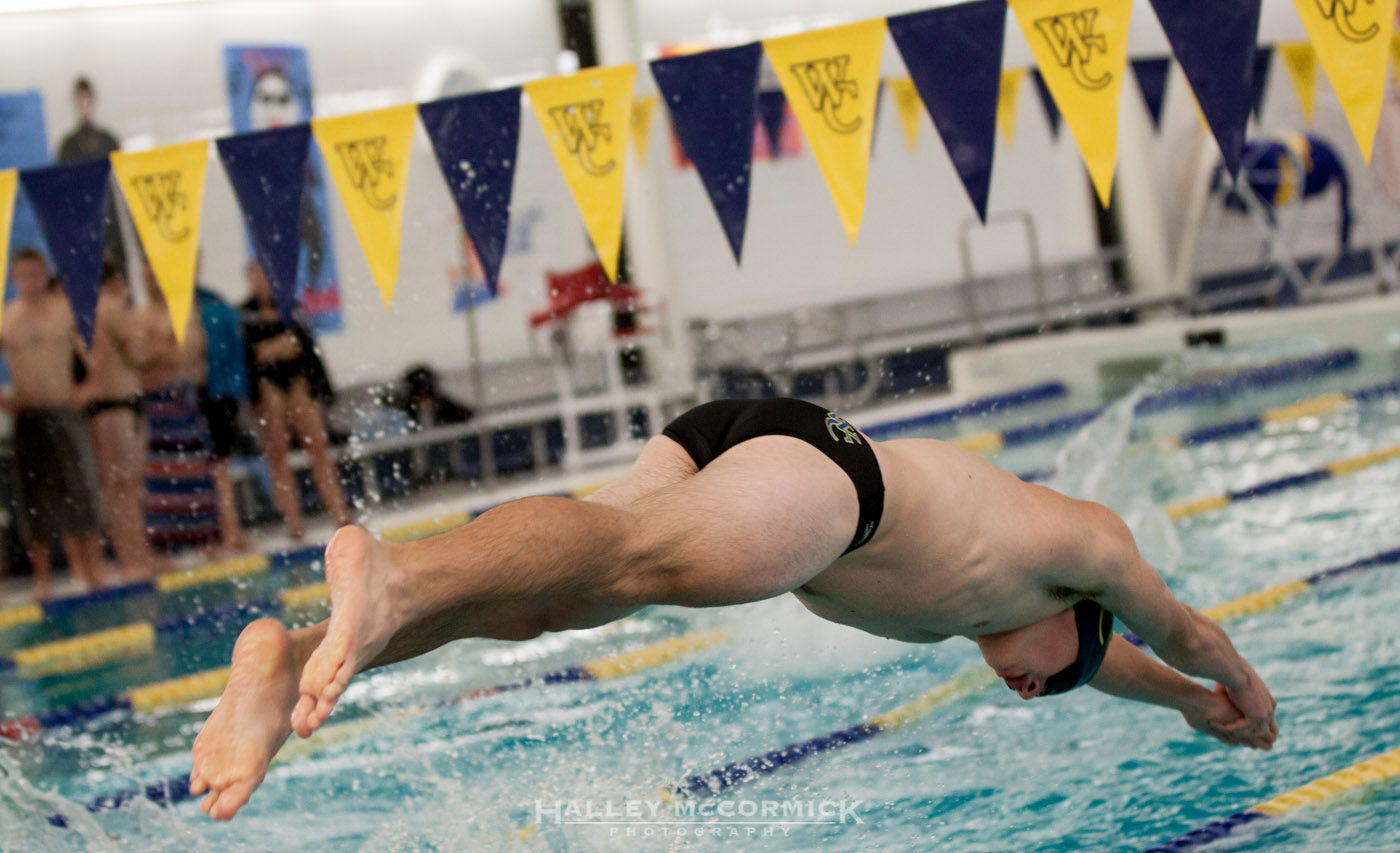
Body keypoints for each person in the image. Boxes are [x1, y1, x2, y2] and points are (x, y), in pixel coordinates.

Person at [189, 398, 1278, 821]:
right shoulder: (1079, 547)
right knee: (626, 563)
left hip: (753, 447)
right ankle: (393, 574)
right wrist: (1242, 689)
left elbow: (1125, 663)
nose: (1037, 689)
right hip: (831, 482)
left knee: (557, 602)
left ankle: (291, 660)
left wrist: (1190, 705)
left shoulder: (998, 617)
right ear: (1080, 607)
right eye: (1060, 672)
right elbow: (1177, 630)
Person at [0, 248, 109, 600]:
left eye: (34, 275)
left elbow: (98, 353)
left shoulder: (64, 313)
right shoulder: (7, 319)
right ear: (14, 279)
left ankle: (93, 571)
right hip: (28, 415)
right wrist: (5, 400)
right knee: (34, 500)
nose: (29, 283)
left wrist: (87, 390)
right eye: (23, 276)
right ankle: (43, 580)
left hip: (64, 410)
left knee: (81, 489)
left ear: (44, 275)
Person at [239, 261, 351, 539]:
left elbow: (303, 348)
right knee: (277, 455)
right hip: (268, 388)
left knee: (318, 449)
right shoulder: (245, 314)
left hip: (298, 383)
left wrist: (273, 349)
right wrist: (280, 346)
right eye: (256, 277)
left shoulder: (292, 307)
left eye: (265, 276)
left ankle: (340, 513)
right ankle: (294, 522)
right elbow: (255, 355)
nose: (261, 283)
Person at [81, 262, 166, 578]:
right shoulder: (112, 307)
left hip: (104, 407)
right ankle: (137, 559)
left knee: (116, 487)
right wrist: (162, 343)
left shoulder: (84, 312)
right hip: (120, 405)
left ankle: (130, 556)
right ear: (117, 280)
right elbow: (139, 354)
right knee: (126, 486)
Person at [139, 260, 221, 555]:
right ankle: (166, 547)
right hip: (152, 406)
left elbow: (187, 355)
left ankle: (207, 541)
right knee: (158, 480)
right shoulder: (139, 316)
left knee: (195, 473)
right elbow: (138, 360)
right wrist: (163, 348)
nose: (151, 282)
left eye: (154, 275)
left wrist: (155, 351)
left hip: (180, 400)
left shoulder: (184, 312)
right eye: (146, 276)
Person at [195, 283, 253, 553]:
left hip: (211, 394)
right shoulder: (214, 304)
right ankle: (226, 532)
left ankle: (227, 532)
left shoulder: (207, 304)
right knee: (216, 467)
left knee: (216, 466)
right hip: (216, 393)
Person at [56, 77, 124, 270]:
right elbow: (62, 188)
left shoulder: (108, 140)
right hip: (81, 218)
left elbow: (121, 182)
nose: (84, 103)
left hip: (109, 216)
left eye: (87, 98)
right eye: (80, 99)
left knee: (116, 267)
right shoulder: (69, 145)